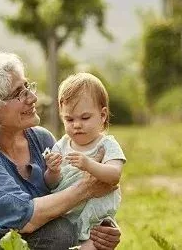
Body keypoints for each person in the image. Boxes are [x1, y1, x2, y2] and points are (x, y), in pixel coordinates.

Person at [0, 53, 121, 250]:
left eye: (28, 87)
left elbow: (61, 201)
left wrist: (99, 229)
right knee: (58, 234)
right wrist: (88, 187)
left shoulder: (42, 139)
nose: (33, 97)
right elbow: (24, 217)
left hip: (14, 238)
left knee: (61, 231)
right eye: (19, 93)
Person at [43, 72, 126, 250]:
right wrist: (53, 171)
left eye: (85, 118)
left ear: (102, 115)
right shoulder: (61, 145)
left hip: (96, 217)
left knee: (94, 245)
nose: (77, 125)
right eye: (69, 119)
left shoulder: (106, 144)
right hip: (67, 214)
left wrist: (89, 164)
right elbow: (51, 184)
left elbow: (114, 175)